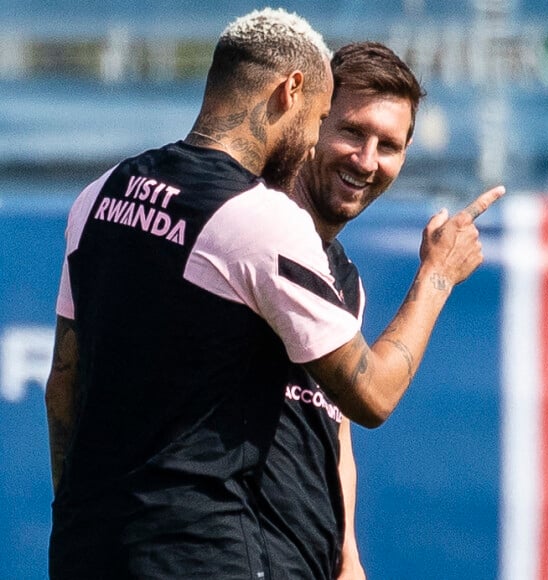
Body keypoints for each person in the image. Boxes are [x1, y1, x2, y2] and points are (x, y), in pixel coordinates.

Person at [45, 7, 334, 579]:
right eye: (321, 118)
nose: (312, 143)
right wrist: (437, 276)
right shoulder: (262, 217)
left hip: (87, 545)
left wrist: (79, 507)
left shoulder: (99, 193)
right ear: (290, 90)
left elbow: (63, 383)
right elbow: (371, 397)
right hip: (196, 551)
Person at [258, 41, 505, 579]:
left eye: (388, 145)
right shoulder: (255, 233)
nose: (367, 161)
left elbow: (334, 427)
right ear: (311, 122)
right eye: (351, 131)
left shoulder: (342, 276)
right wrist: (436, 276)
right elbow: (374, 398)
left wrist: (347, 558)